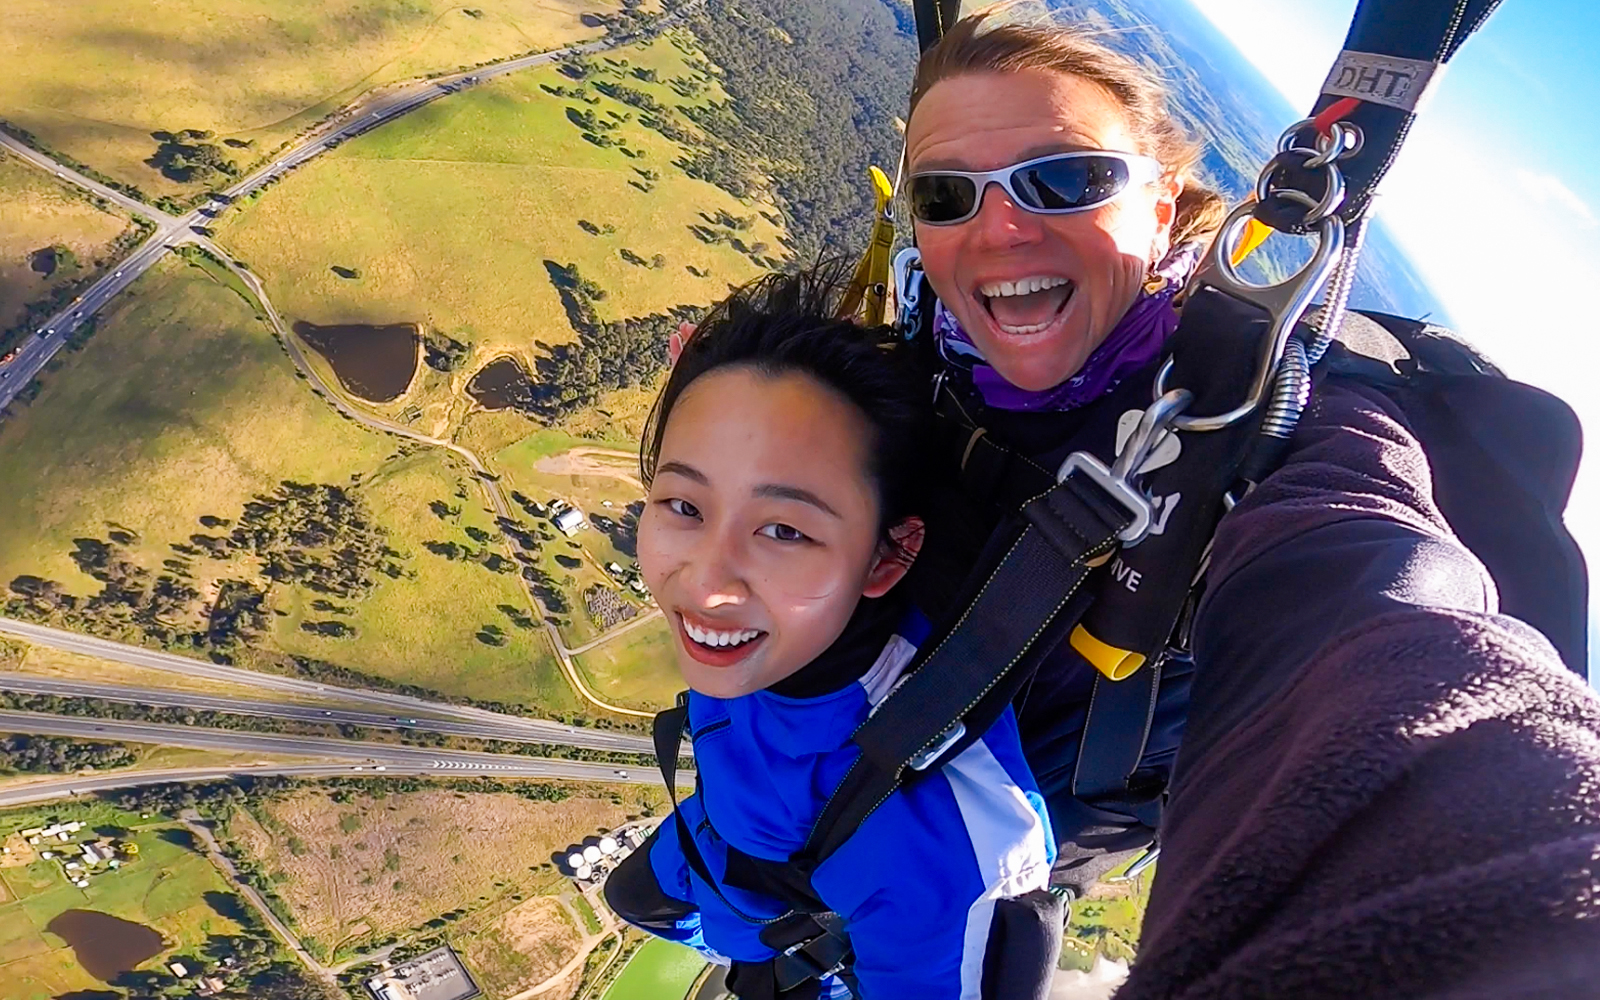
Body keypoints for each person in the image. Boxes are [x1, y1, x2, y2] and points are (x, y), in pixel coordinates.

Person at [897, 7, 1600, 996]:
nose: (1000, 226)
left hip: (1000, 870)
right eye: (944, 194)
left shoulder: (1277, 427)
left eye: (1066, 180)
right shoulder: (920, 356)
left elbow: (1370, 609)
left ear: (1160, 208)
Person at [602, 267, 1064, 1000]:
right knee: (628, 900)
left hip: (781, 885)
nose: (706, 584)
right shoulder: (782, 633)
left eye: (784, 530)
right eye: (684, 504)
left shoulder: (936, 845)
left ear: (889, 557)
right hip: (730, 842)